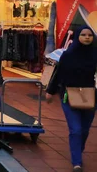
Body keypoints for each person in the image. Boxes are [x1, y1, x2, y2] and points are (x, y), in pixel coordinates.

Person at [46, 26, 97, 172]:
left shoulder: (94, 54)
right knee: (76, 130)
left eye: (90, 35)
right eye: (83, 34)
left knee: (85, 130)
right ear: (77, 37)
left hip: (90, 96)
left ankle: (77, 153)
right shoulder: (68, 55)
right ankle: (77, 163)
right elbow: (58, 73)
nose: (87, 37)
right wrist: (51, 91)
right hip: (69, 95)